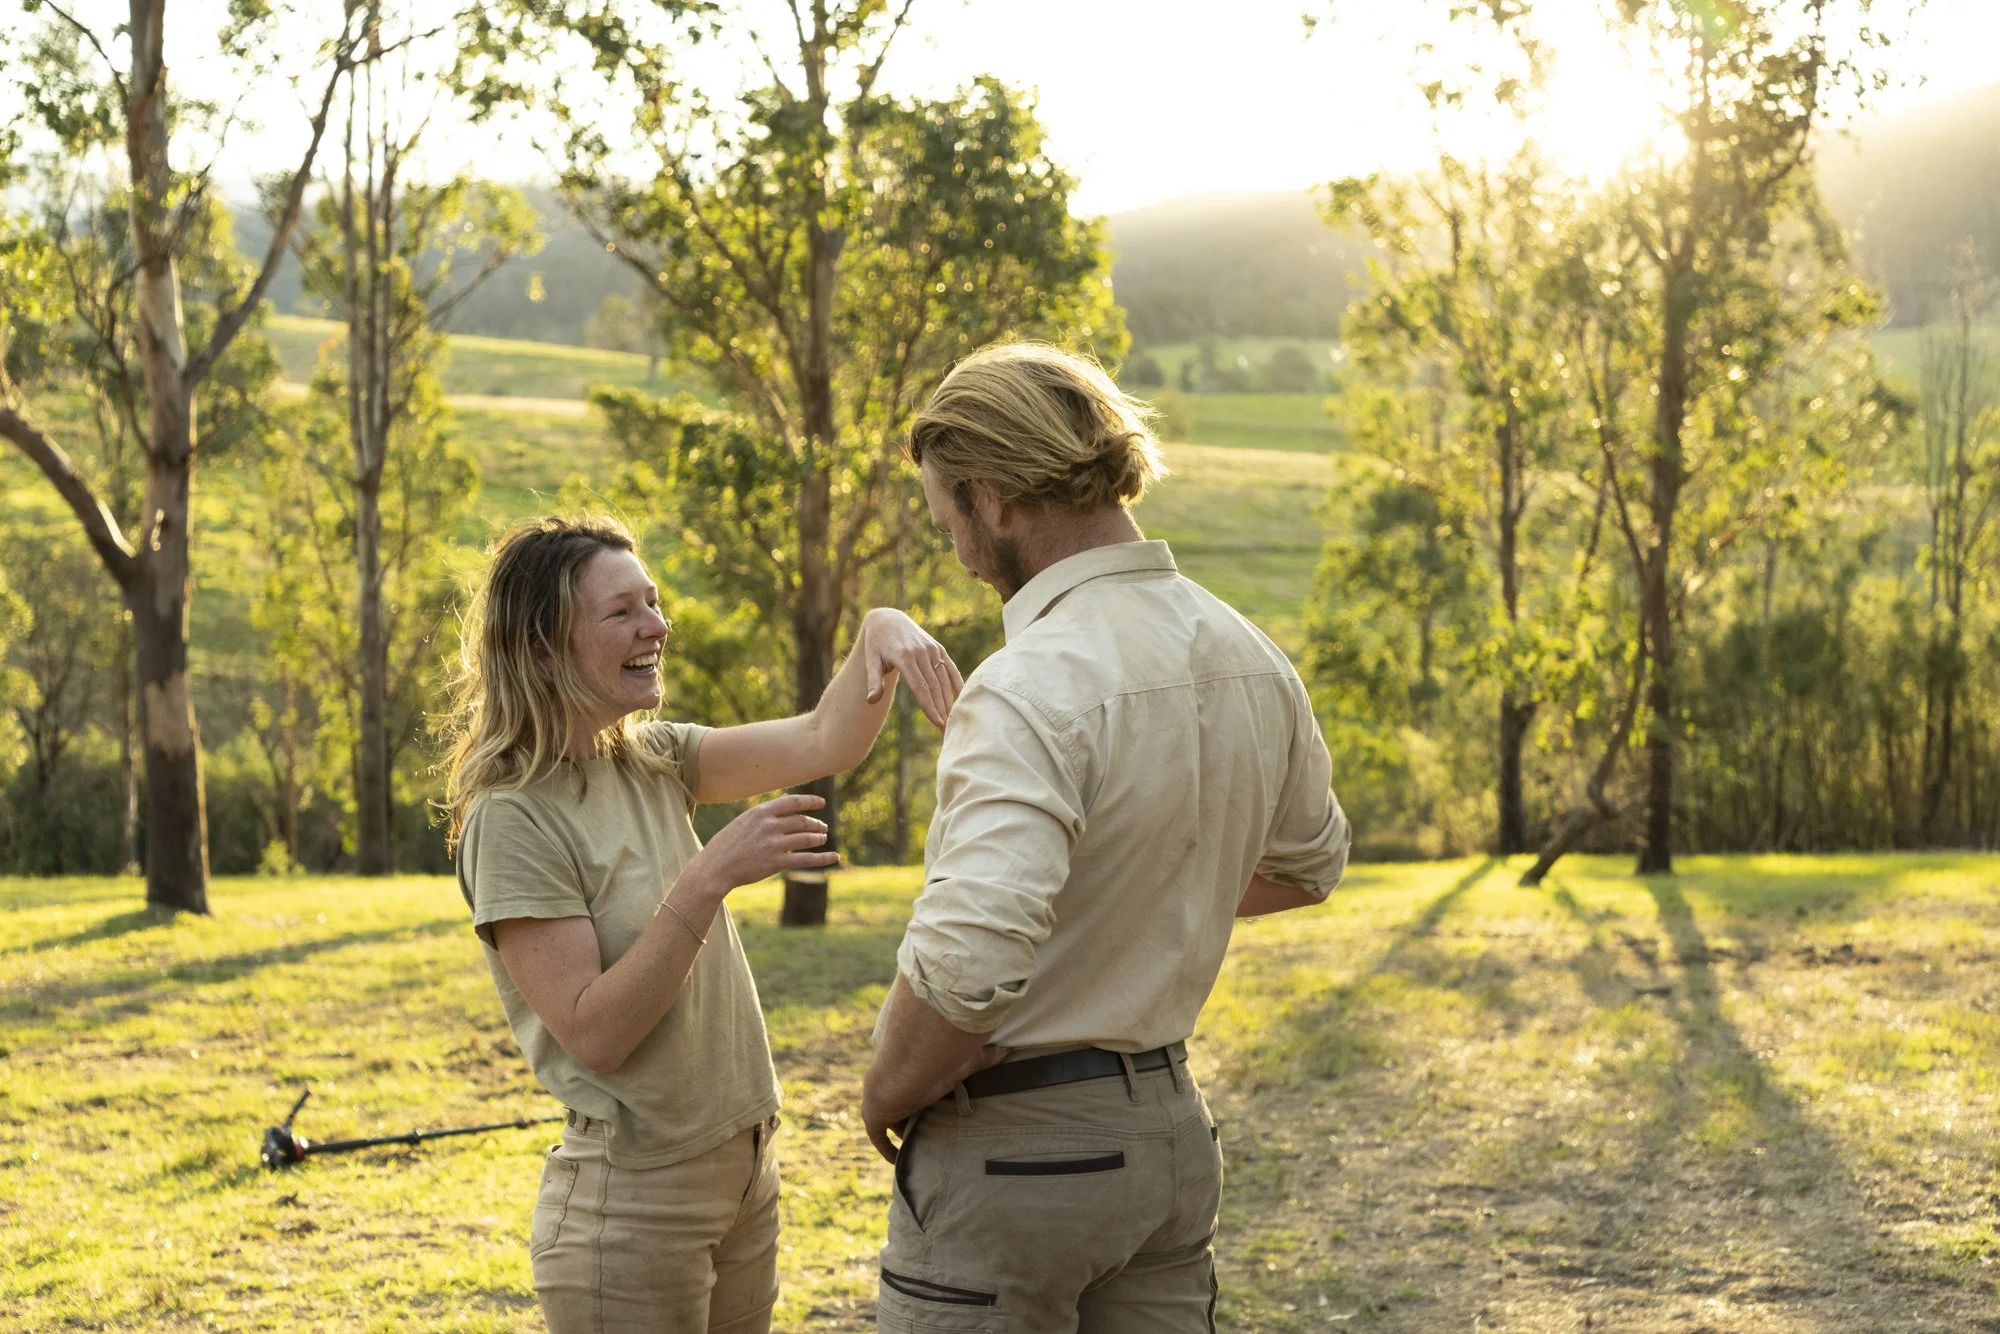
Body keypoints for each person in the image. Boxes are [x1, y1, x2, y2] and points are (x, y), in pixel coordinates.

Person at [860, 344, 1351, 1332]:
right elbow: (1308, 863)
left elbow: (966, 968)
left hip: (1017, 1153)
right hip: (1167, 1138)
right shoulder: (1249, 654)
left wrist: (883, 1090)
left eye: (945, 516)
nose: (954, 547)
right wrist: (1141, 892)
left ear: (992, 497)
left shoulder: (1027, 679)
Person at [442, 514, 964, 1334]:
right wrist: (710, 877)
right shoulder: (512, 819)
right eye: (622, 613)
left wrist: (881, 633)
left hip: (746, 1174)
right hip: (634, 1207)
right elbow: (595, 1033)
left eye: (652, 602)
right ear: (541, 647)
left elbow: (827, 738)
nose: (658, 625)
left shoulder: (652, 758)